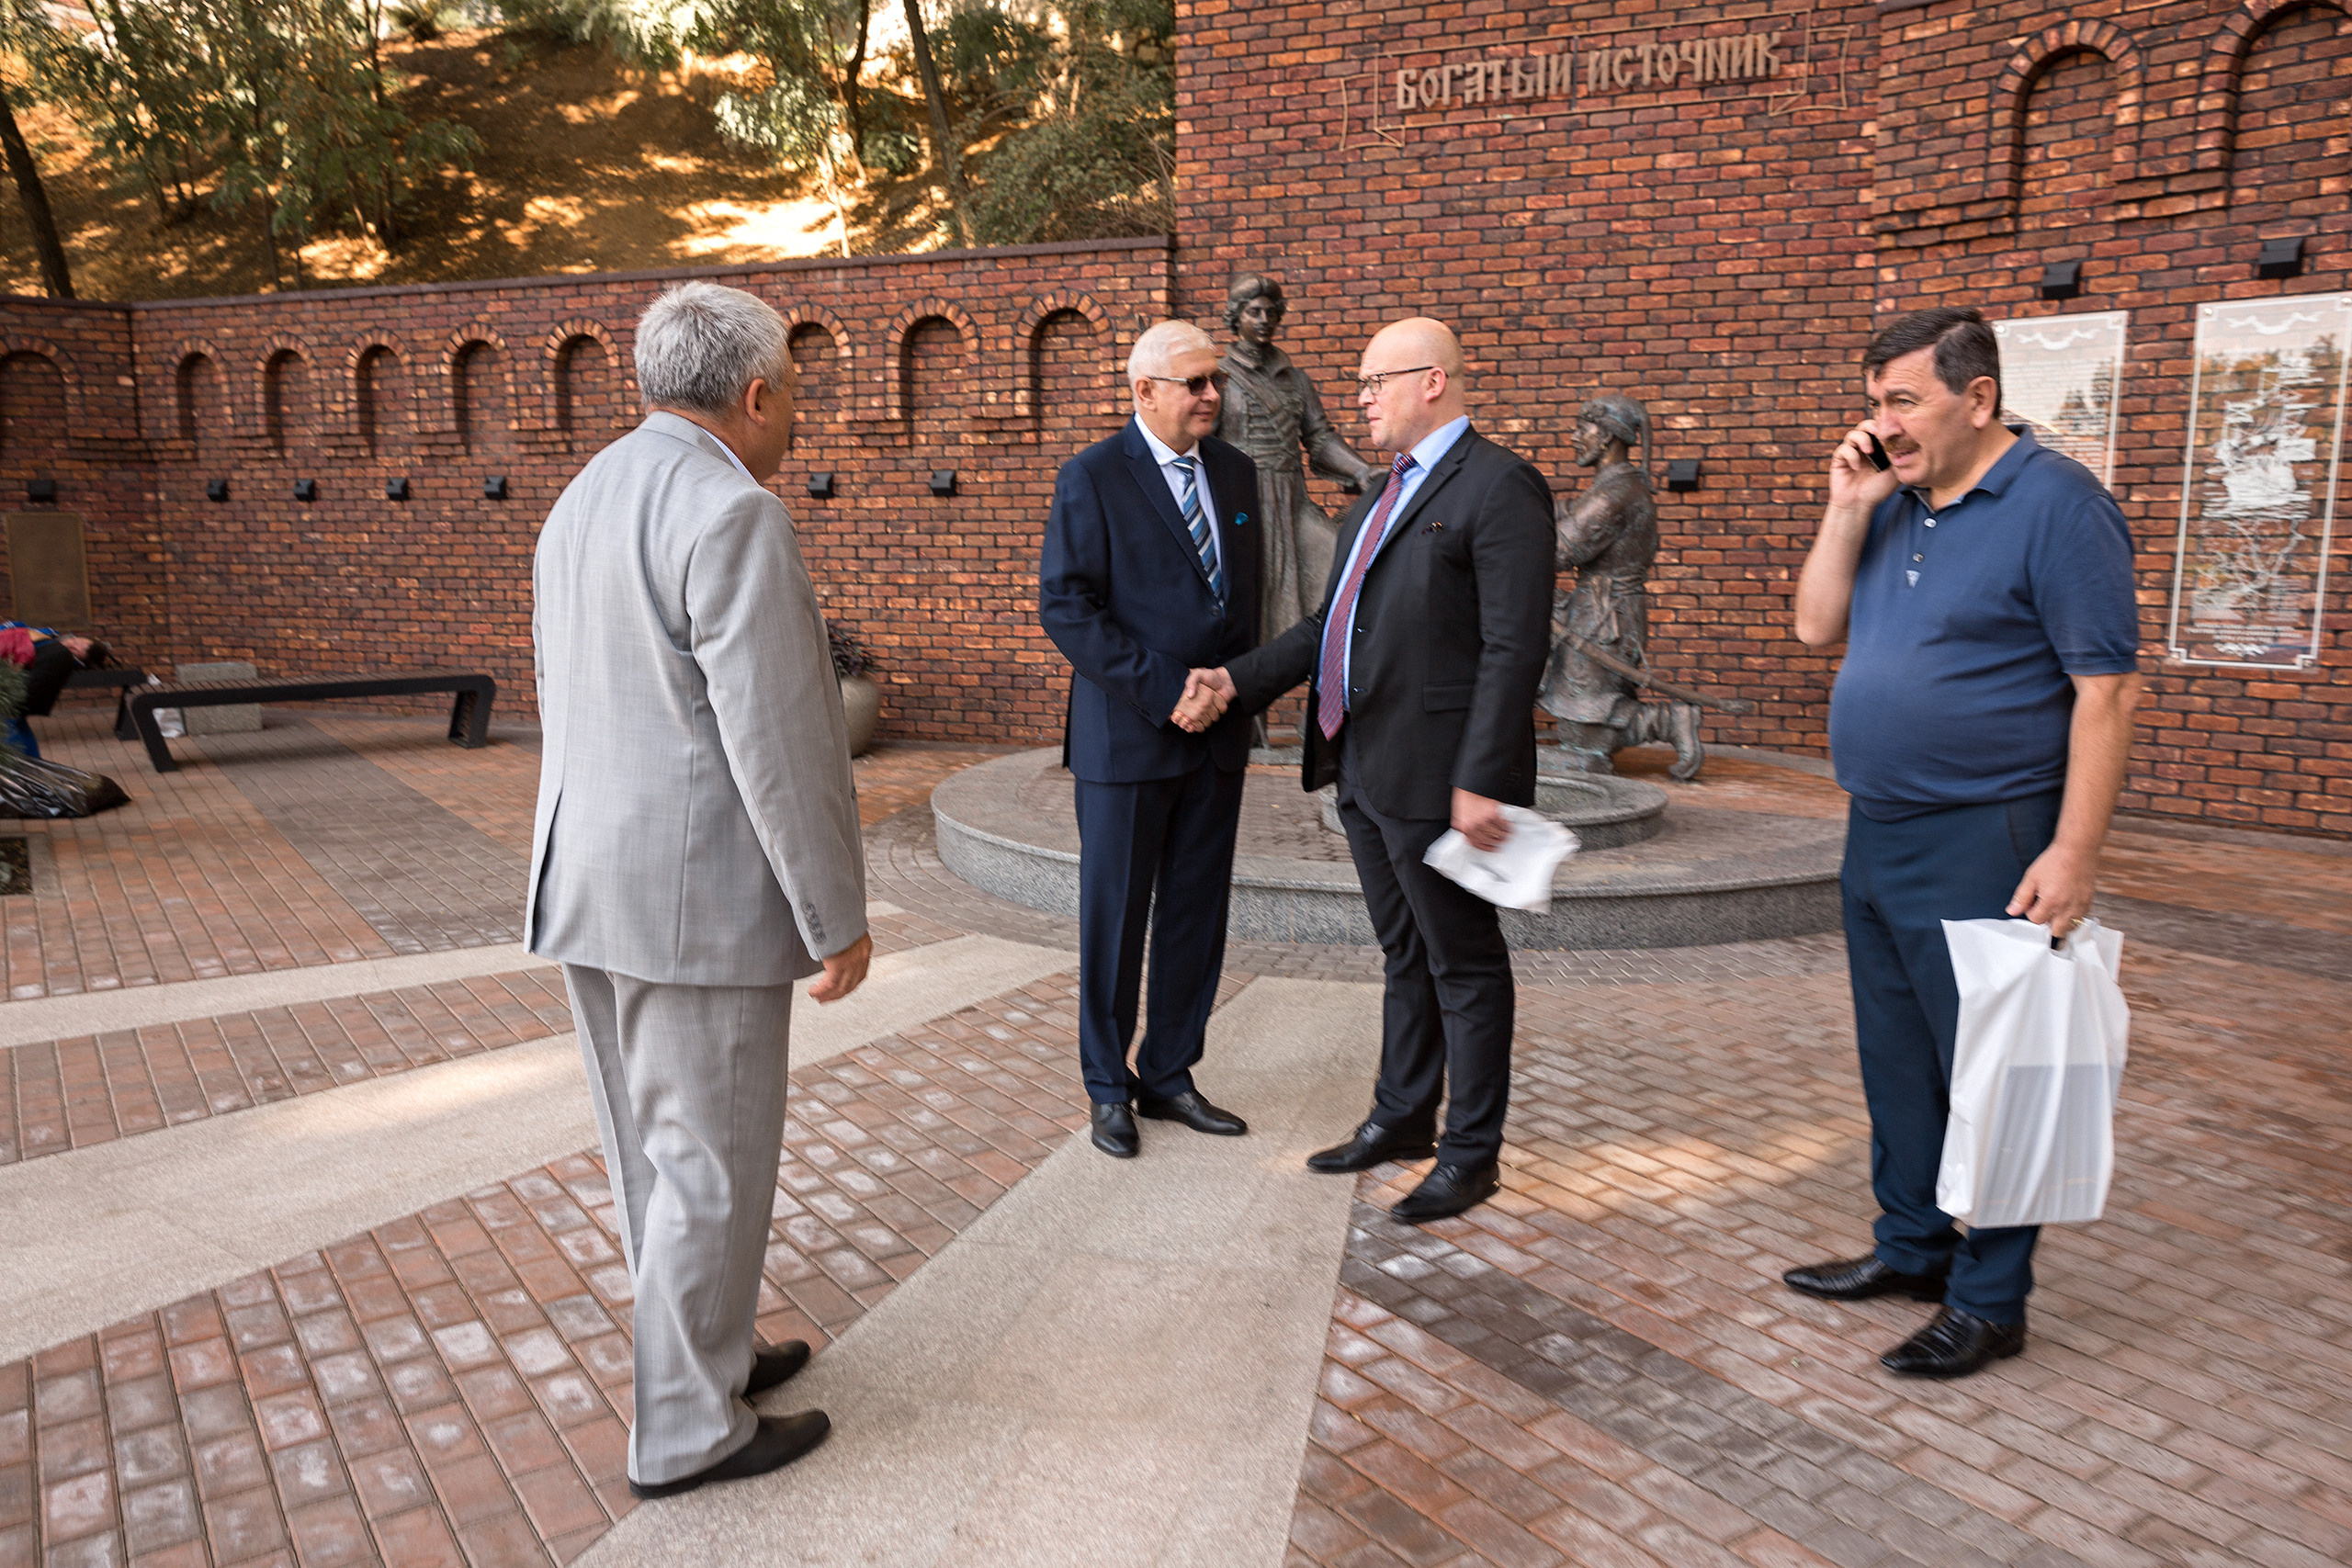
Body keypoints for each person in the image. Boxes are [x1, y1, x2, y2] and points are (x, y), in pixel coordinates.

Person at [526, 280, 871, 1496]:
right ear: (759, 391)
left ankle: (708, 1351)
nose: (797, 416)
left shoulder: (582, 496)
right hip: (696, 898)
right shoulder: (734, 508)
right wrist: (836, 915)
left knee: (653, 1156)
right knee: (710, 1163)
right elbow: (777, 741)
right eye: (795, 393)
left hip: (589, 878)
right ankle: (685, 1426)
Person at [1787, 306, 2142, 1379]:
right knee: (1898, 1064)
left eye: (1903, 401)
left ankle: (1990, 1300)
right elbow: (1813, 627)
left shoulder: (2060, 506)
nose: (1881, 424)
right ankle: (1912, 1250)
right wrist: (1849, 507)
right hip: (1876, 825)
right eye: (1873, 403)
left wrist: (2072, 853)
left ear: (1976, 397)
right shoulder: (1895, 495)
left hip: (1987, 833)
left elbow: (2107, 691)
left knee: (1995, 1073)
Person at [1193, 317, 1553, 1223]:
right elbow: (1329, 631)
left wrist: (1483, 777)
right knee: (1404, 954)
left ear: (1432, 381)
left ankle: (1471, 1155)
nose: (1358, 398)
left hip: (1439, 778)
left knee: (1463, 966)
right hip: (1359, 763)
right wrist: (1234, 681)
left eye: (1373, 381)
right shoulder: (1374, 499)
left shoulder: (1500, 488)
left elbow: (1513, 649)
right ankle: (1402, 1119)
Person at [1037, 319, 1262, 1159]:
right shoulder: (1092, 477)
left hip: (1217, 739)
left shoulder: (1236, 474)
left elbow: (1242, 603)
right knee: (1115, 918)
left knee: (1195, 918)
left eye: (1217, 382)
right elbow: (1067, 607)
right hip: (1126, 741)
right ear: (1144, 393)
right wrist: (1171, 692)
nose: (1213, 395)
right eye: (1197, 383)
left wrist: (1228, 690)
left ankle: (1169, 1074)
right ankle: (1107, 1088)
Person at [1538, 395, 1701, 780]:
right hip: (1601, 609)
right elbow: (1574, 517)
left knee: (1582, 730)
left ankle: (1666, 721)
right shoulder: (1617, 486)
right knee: (1575, 714)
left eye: (1583, 429)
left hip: (1604, 617)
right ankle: (1660, 722)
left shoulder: (1615, 495)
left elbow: (1561, 551)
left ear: (1608, 436)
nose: (1574, 437)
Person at [1214, 273, 1376, 643]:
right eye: (1254, 312)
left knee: (1346, 568)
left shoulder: (1296, 379)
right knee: (1244, 616)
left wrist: (1361, 470)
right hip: (1243, 505)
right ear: (1235, 317)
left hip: (1293, 501)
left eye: (1271, 313)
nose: (1263, 321)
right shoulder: (1218, 378)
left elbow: (1319, 438)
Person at [0, 625, 107, 759]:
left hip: (19, 693)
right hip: (20, 691)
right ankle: (33, 764)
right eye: (78, 640)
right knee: (15, 723)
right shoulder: (53, 639)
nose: (74, 643)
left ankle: (23, 767)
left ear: (80, 656)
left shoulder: (61, 655)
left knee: (8, 723)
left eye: (79, 648)